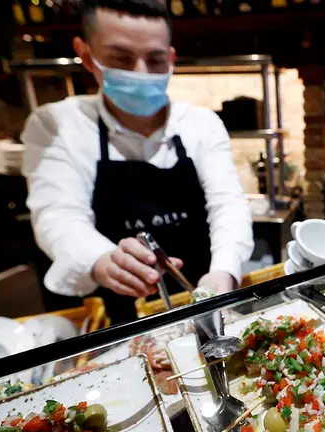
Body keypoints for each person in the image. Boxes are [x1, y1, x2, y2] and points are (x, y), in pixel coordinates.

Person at [21, 0, 254, 323]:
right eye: (121, 58)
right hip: (116, 315)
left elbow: (228, 204)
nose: (141, 73)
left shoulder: (201, 123)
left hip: (207, 300)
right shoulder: (56, 124)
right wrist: (101, 259)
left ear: (171, 58)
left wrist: (225, 272)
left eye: (155, 60)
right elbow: (58, 216)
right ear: (86, 55)